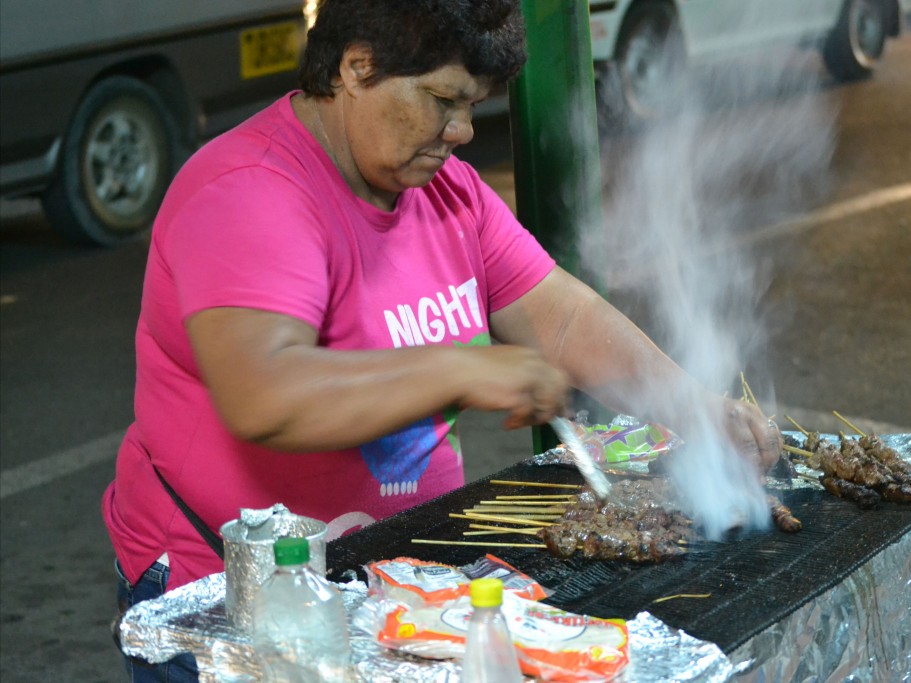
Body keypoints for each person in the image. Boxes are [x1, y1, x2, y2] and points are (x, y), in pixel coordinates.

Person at [103, 1, 781, 679]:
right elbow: (264, 393)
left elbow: (562, 319)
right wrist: (459, 369)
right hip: (245, 597)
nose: (461, 131)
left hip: (398, 580)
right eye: (442, 100)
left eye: (473, 104)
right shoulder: (249, 193)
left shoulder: (448, 191)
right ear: (356, 65)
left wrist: (693, 405)